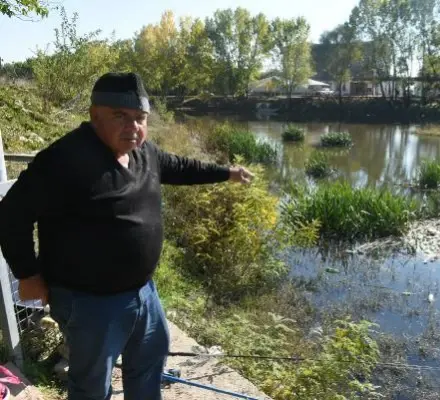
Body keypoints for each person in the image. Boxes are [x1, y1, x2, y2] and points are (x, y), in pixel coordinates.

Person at [0, 72, 254, 400]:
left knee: (149, 364)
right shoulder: (64, 160)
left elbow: (179, 166)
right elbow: (10, 214)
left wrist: (227, 173)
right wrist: (27, 272)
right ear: (94, 116)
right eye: (119, 116)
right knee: (92, 385)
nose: (132, 126)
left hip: (143, 292)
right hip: (89, 301)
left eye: (140, 118)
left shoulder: (143, 152)